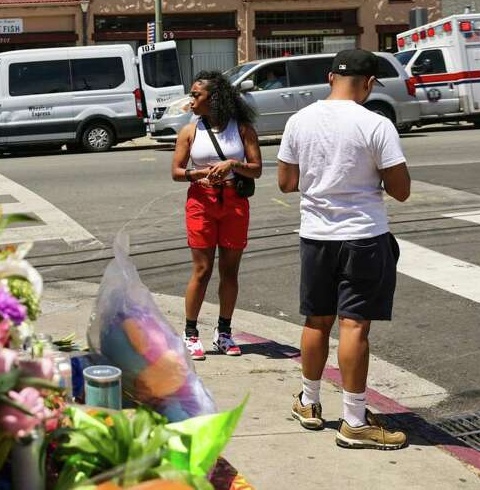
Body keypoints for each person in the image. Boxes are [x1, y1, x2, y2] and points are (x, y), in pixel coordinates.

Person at [278, 49, 410, 450]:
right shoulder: (375, 124)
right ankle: (354, 419)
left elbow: (286, 182)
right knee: (354, 326)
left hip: (316, 236)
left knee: (316, 321)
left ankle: (309, 401)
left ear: (329, 76)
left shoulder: (298, 120)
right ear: (369, 83)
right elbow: (401, 191)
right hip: (363, 236)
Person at [171, 70, 262, 361]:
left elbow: (257, 168)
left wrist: (233, 164)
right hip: (201, 202)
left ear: (215, 97)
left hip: (234, 201)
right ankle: (190, 333)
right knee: (202, 269)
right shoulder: (190, 130)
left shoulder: (243, 128)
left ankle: (224, 332)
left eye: (196, 95)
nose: (192, 100)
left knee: (230, 271)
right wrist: (196, 174)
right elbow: (176, 171)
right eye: (192, 94)